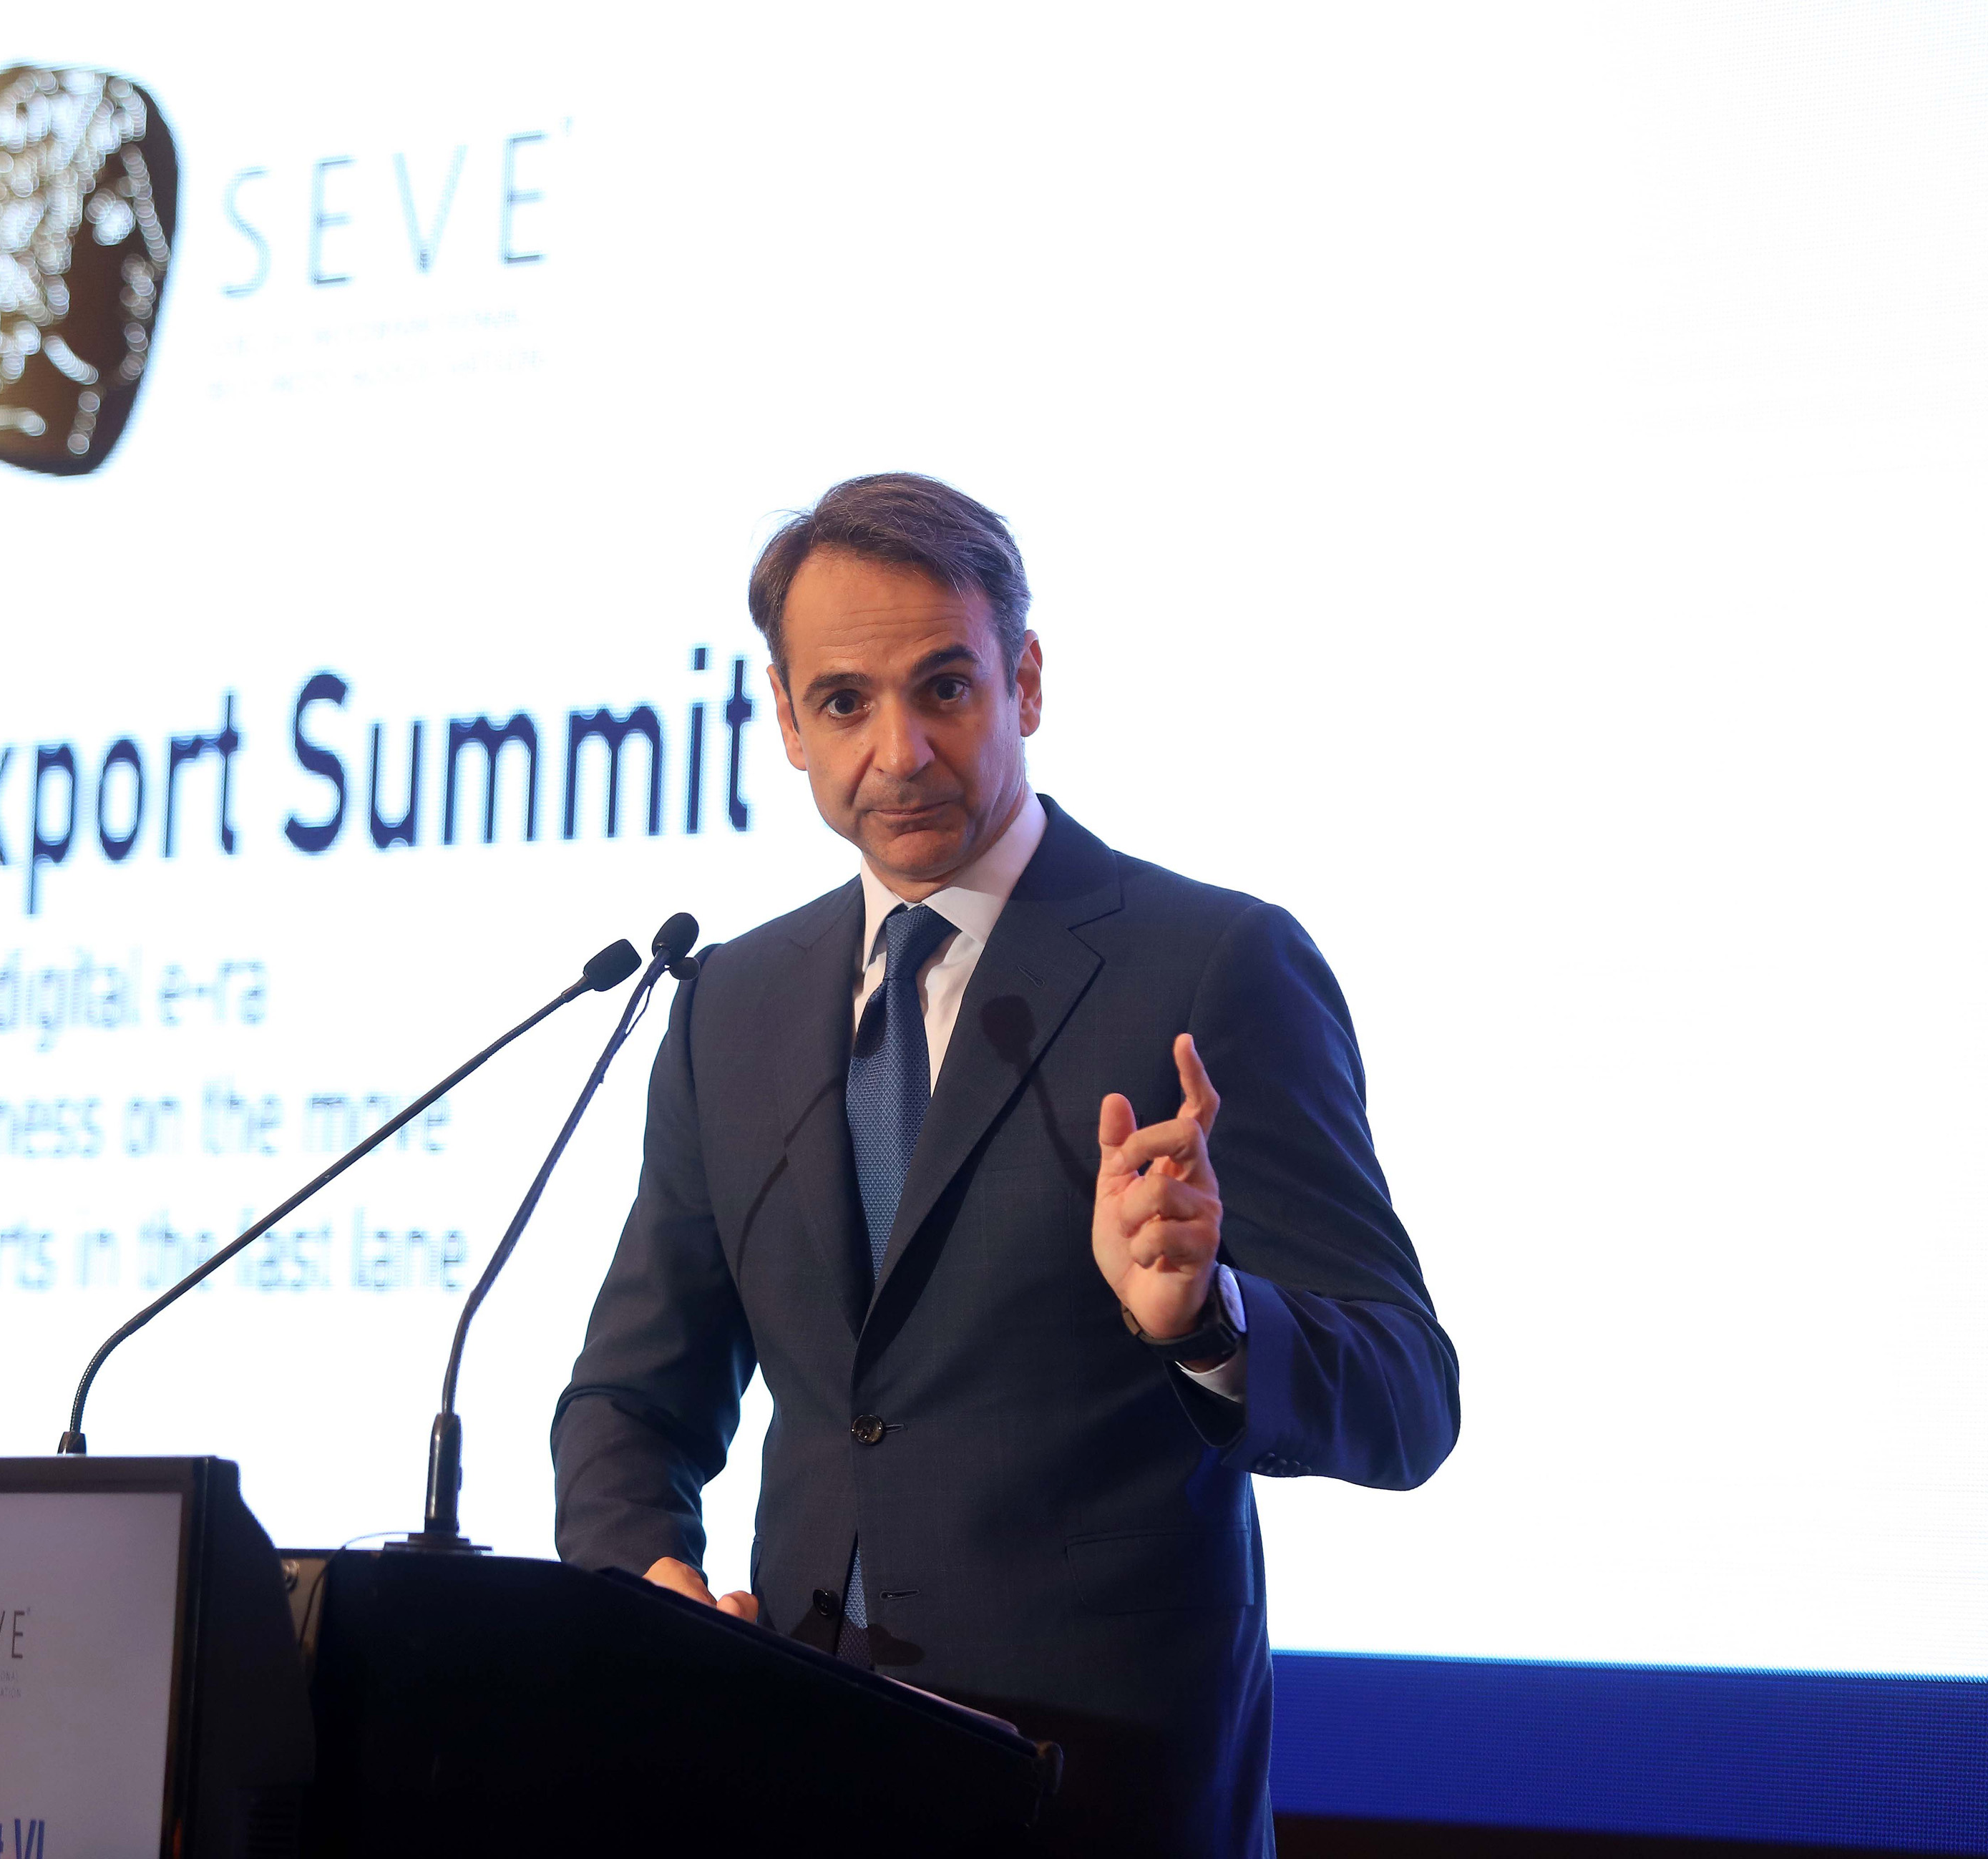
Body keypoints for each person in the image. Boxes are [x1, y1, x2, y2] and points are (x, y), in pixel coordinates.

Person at [550, 472, 1458, 1855]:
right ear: (785, 719)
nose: (899, 750)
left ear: (1023, 680)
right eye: (843, 702)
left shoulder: (1213, 962)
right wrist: (644, 1573)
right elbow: (629, 1396)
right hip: (792, 1774)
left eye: (945, 687)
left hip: (1096, 1795)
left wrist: (1206, 1321)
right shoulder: (728, 1004)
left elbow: (1406, 1393)